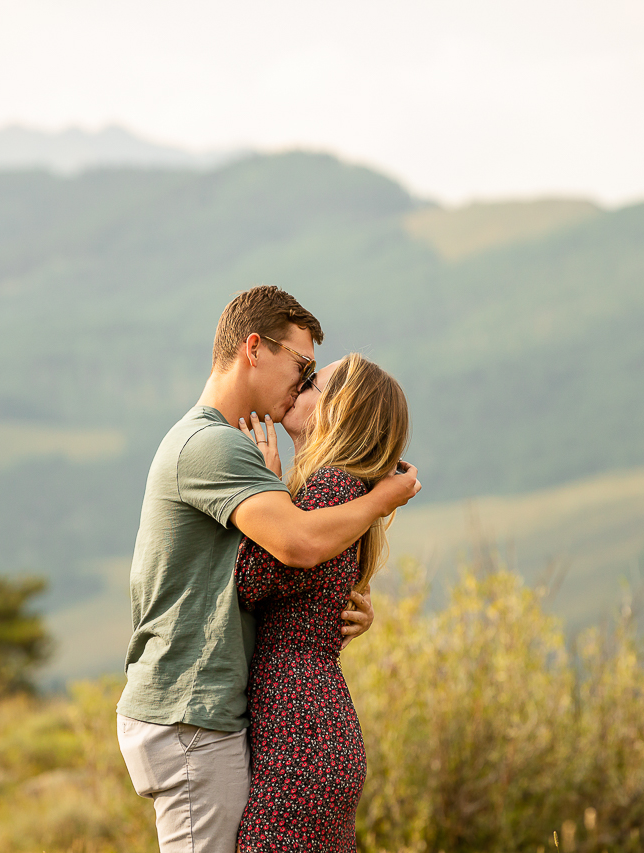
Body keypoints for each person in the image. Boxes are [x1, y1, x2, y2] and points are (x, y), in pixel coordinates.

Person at [116, 287, 421, 853]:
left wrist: (330, 607)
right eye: (301, 368)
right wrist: (384, 497)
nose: (300, 385)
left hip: (246, 714)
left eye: (311, 378)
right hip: (196, 714)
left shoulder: (293, 474)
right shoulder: (215, 447)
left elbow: (285, 563)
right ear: (254, 349)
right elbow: (297, 546)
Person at [233, 353, 409, 853]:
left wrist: (265, 488)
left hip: (299, 730)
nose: (297, 388)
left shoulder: (330, 487)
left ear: (338, 411)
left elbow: (250, 579)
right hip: (314, 725)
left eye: (311, 383)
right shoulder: (343, 491)